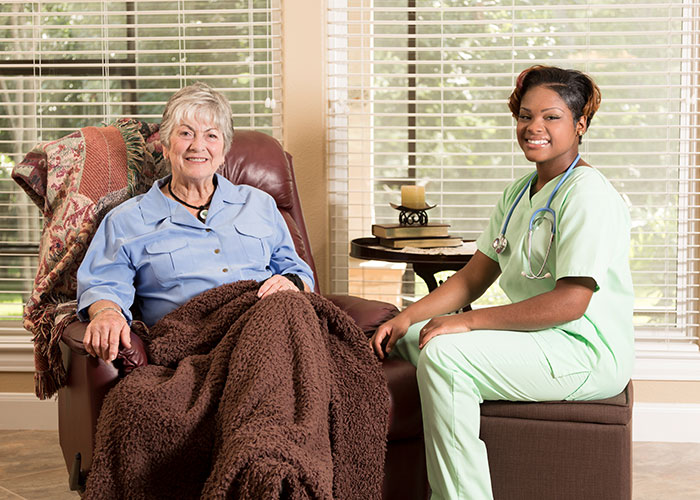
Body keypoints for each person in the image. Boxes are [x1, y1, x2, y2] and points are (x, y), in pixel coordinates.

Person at [370, 65, 634, 499]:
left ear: (580, 123)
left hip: (584, 348)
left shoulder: (588, 194)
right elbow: (474, 276)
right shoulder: (519, 193)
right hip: (541, 339)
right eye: (525, 115)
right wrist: (405, 319)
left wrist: (467, 324)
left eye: (551, 117)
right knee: (412, 338)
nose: (534, 127)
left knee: (445, 355)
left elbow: (570, 303)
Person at [77, 82, 314, 362]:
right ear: (165, 147)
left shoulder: (259, 204)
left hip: (267, 329)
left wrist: (291, 284)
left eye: (211, 135)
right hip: (192, 345)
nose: (198, 146)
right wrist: (106, 314)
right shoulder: (127, 220)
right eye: (186, 133)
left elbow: (297, 272)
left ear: (224, 151)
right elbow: (103, 285)